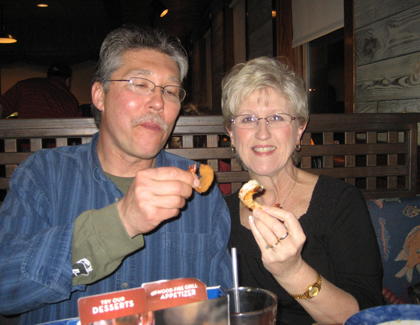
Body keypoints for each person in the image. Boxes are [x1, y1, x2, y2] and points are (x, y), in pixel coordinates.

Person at [0, 24, 232, 324]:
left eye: (171, 91)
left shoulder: (201, 191)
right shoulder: (42, 175)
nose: (158, 102)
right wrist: (121, 222)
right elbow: (6, 288)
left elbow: (220, 304)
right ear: (99, 95)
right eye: (140, 84)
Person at [222, 57, 384, 325]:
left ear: (299, 129)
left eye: (276, 117)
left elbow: (367, 315)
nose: (262, 133)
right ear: (231, 131)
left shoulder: (339, 201)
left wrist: (292, 271)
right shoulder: (219, 213)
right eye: (248, 119)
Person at [0, 61, 81, 118]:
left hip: (25, 140)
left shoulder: (24, 85)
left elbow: (2, 106)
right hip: (57, 142)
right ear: (68, 80)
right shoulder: (71, 99)